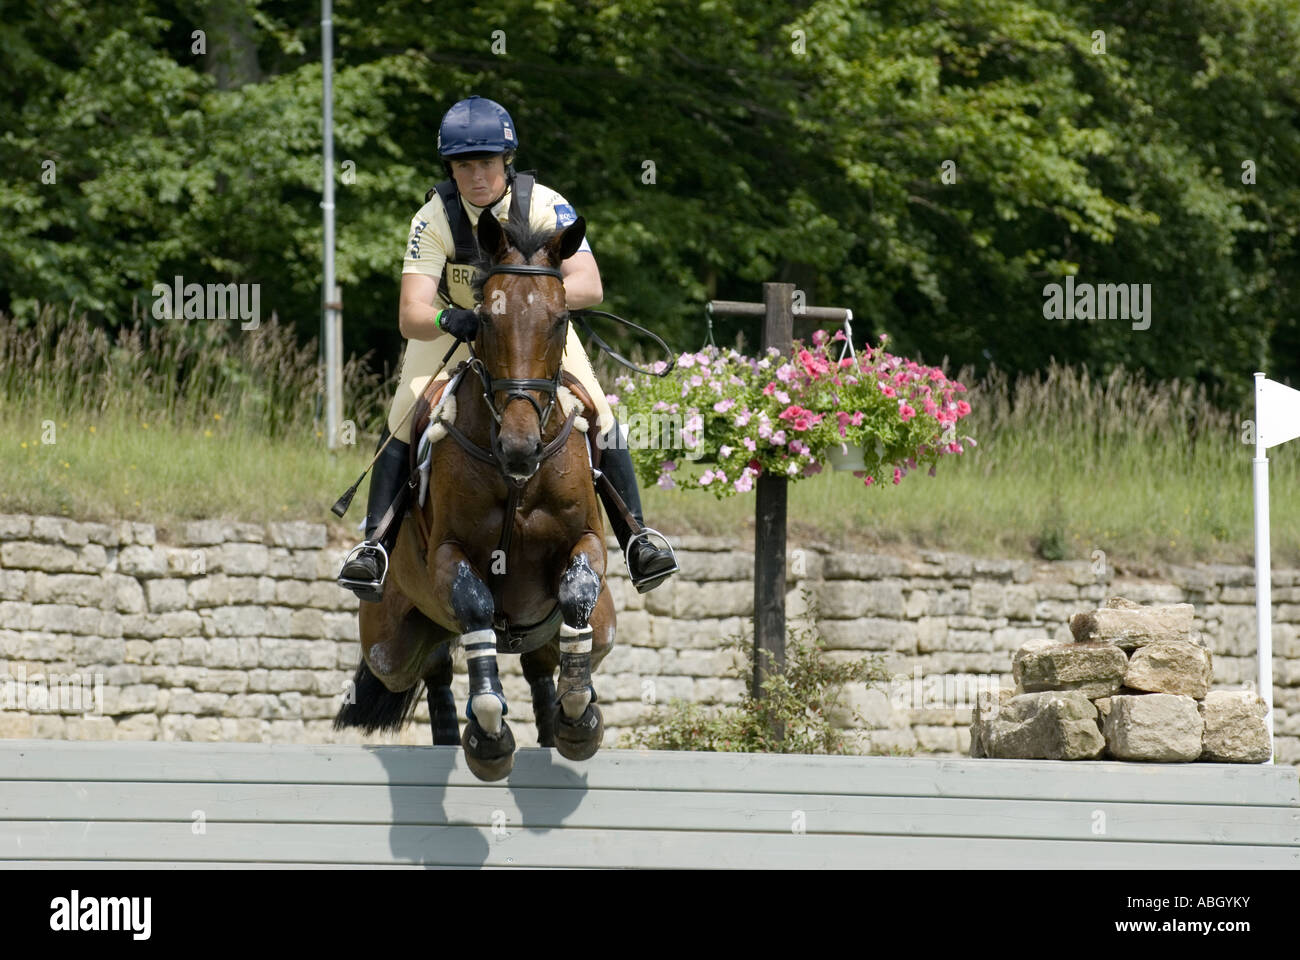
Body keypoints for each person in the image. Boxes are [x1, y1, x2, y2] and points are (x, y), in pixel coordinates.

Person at [338, 95, 677, 602]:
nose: (477, 176)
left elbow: (590, 285)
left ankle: (637, 539)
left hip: (534, 332)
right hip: (462, 331)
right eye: (464, 165)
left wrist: (529, 301)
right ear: (450, 169)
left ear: (507, 162)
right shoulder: (432, 218)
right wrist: (448, 317)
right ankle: (375, 546)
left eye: (488, 163)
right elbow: (412, 314)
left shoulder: (546, 205)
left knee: (600, 410)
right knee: (405, 409)